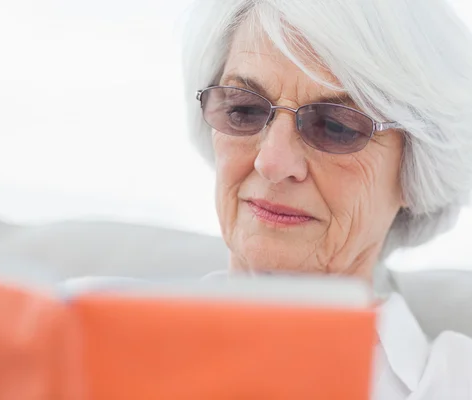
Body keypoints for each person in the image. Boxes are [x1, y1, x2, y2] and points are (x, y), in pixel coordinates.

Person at [180, 0, 472, 398]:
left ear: (414, 170)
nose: (272, 162)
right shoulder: (93, 338)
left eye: (335, 126)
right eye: (244, 110)